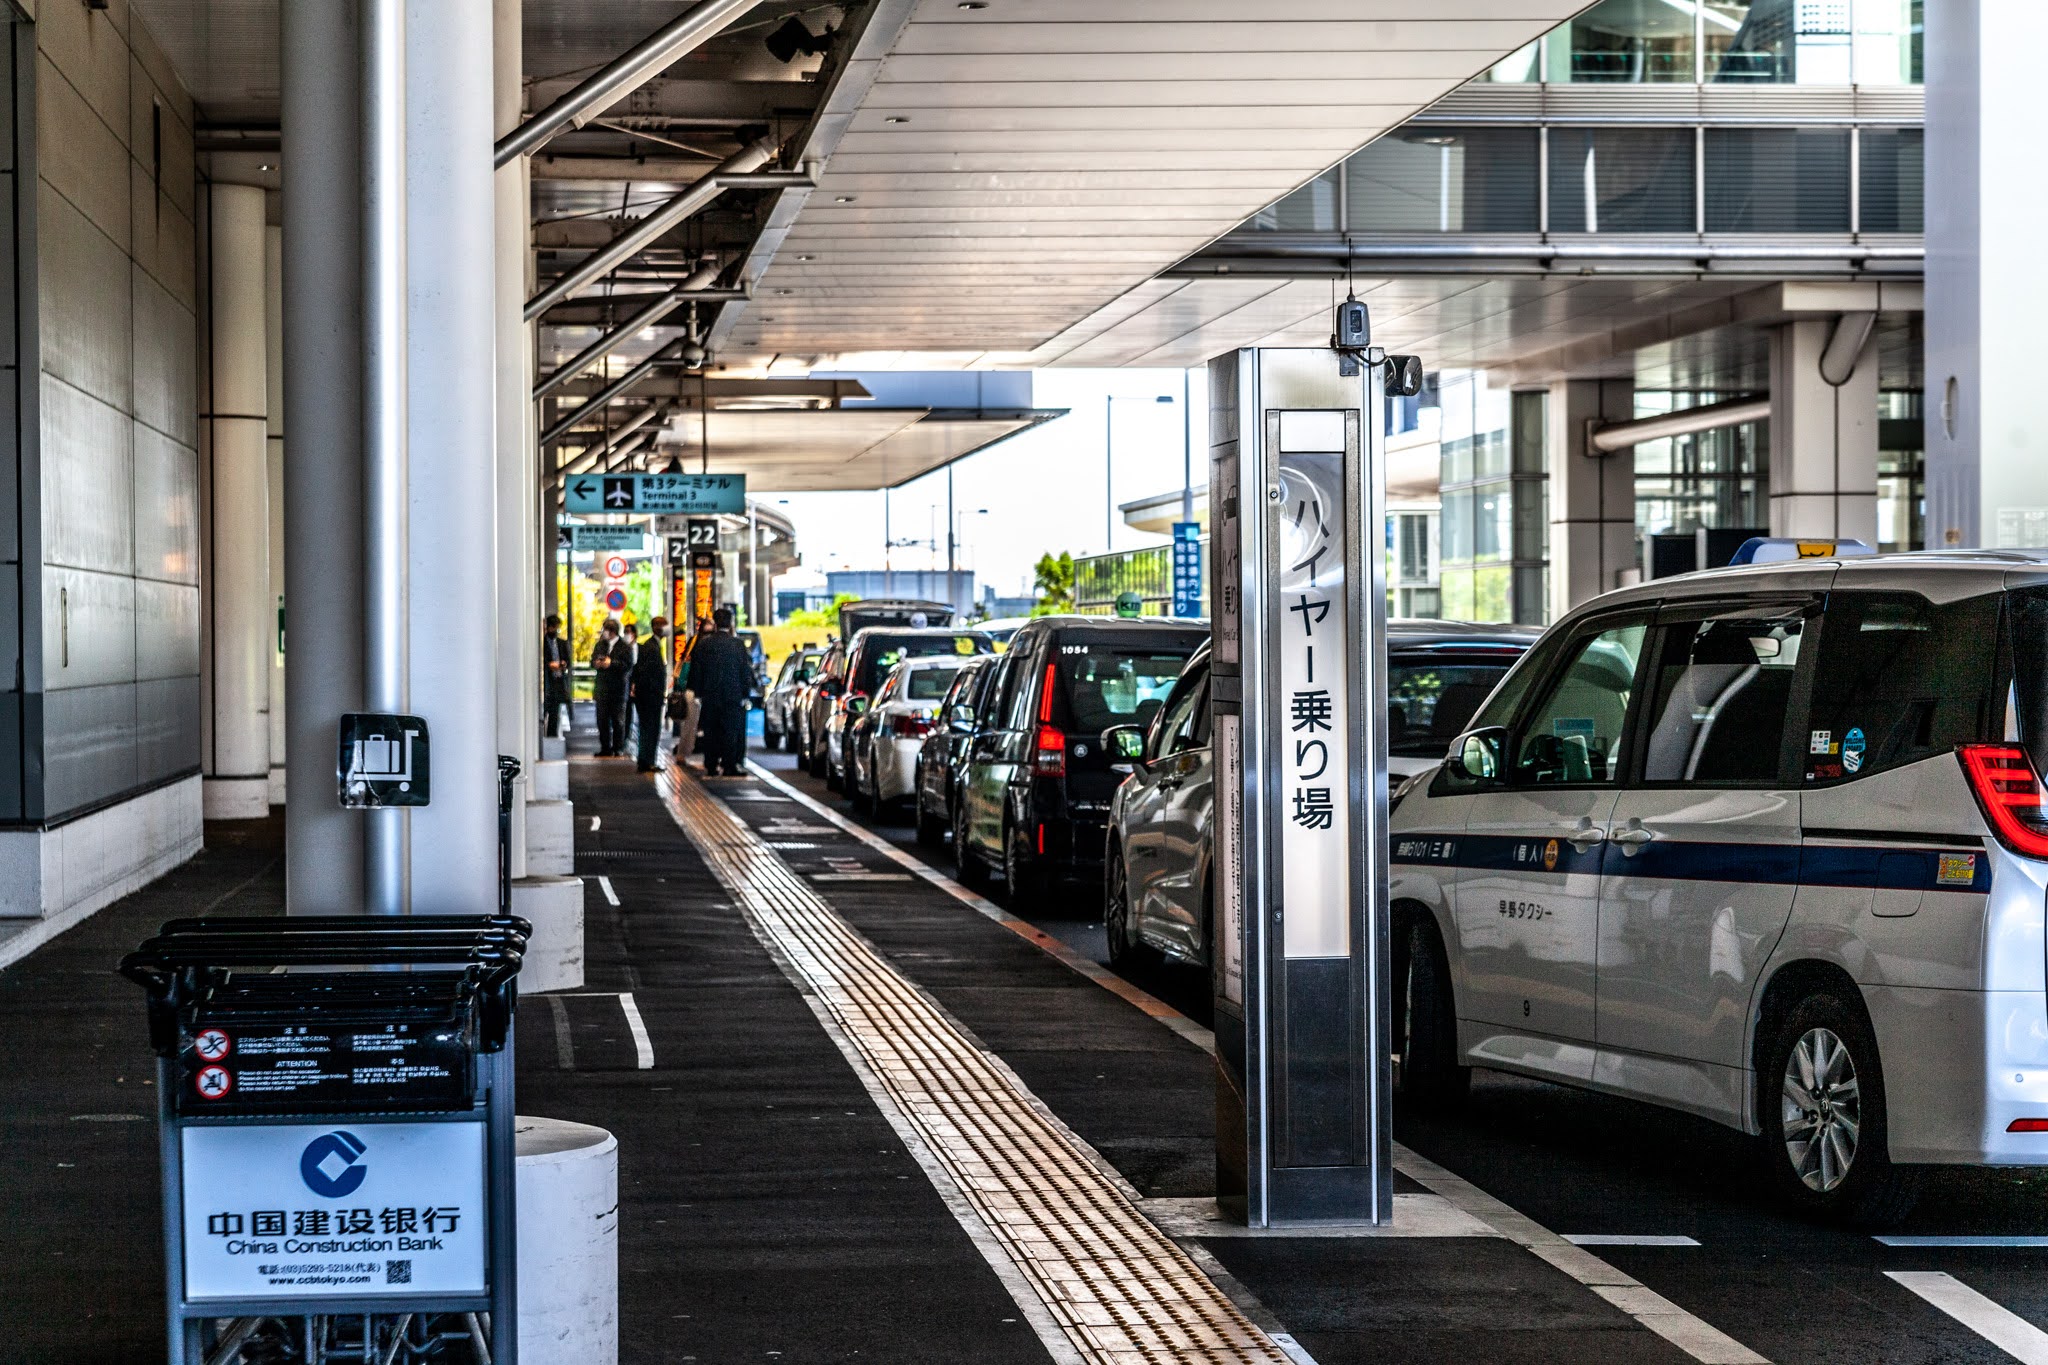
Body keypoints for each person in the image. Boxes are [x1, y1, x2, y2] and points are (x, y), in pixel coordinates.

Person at [688, 607, 753, 776]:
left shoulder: (704, 644)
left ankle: (710, 764)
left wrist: (697, 693)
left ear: (715, 623)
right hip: (733, 695)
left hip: (710, 695)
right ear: (730, 623)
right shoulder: (737, 645)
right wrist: (745, 694)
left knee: (711, 731)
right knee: (730, 731)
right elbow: (744, 671)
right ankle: (729, 765)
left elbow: (696, 670)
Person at [629, 616, 670, 773]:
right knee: (650, 729)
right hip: (649, 697)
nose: (667, 629)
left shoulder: (651, 645)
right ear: (656, 627)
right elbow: (647, 674)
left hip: (647, 696)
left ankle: (646, 760)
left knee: (648, 729)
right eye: (664, 625)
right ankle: (647, 761)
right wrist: (657, 692)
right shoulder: (651, 647)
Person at [589, 619, 632, 756]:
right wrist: (597, 663)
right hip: (602, 689)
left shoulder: (625, 647)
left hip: (618, 690)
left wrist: (611, 663)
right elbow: (592, 661)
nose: (604, 633)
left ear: (612, 631)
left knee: (618, 721)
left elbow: (627, 665)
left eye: (606, 630)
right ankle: (605, 747)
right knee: (602, 720)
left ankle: (618, 747)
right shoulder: (600, 645)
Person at [542, 615, 570, 737]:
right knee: (545, 709)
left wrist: (563, 664)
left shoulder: (562, 643)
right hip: (547, 680)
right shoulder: (542, 643)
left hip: (558, 681)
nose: (555, 631)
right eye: (554, 628)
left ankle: (552, 736)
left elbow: (567, 660)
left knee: (555, 711)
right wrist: (549, 665)